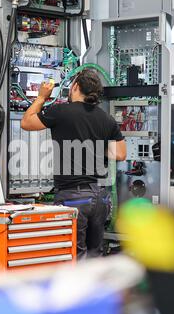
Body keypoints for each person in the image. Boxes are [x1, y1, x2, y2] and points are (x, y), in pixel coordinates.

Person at [21, 69, 126, 259]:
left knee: (72, 255)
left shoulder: (61, 112)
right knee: (95, 256)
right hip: (100, 197)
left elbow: (27, 122)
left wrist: (41, 97)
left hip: (73, 197)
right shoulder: (106, 118)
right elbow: (120, 154)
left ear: (75, 86)